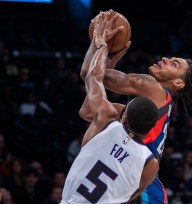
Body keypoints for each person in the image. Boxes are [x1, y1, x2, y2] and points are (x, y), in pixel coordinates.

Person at [79, 9, 192, 204]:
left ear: (178, 83)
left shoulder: (154, 88)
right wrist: (106, 56)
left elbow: (91, 74)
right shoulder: (136, 112)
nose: (166, 59)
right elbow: (88, 109)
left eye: (174, 64)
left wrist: (101, 44)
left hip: (144, 194)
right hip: (136, 188)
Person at [61, 13, 159, 204]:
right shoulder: (150, 164)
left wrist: (101, 44)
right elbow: (129, 196)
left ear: (125, 117)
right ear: (150, 128)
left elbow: (91, 76)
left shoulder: (105, 122)